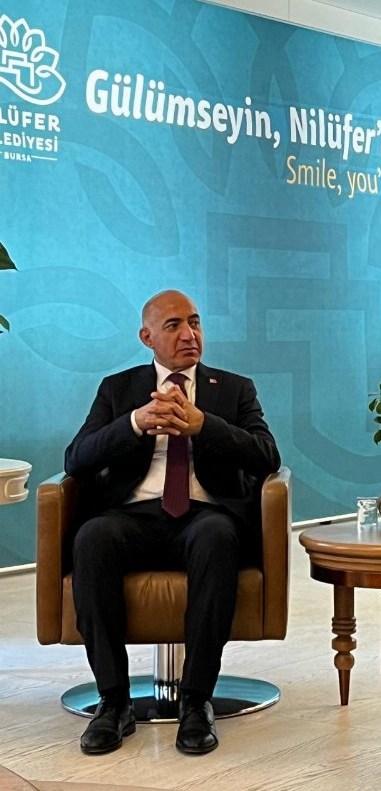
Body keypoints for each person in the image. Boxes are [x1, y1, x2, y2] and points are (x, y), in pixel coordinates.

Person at [65, 289, 280, 757]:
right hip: (133, 516)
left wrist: (205, 425)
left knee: (217, 536)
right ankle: (114, 702)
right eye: (174, 326)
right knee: (93, 536)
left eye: (195, 322)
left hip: (205, 516)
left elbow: (268, 456)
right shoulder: (117, 389)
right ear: (147, 338)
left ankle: (196, 701)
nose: (189, 335)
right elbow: (76, 459)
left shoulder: (235, 389)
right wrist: (135, 422)